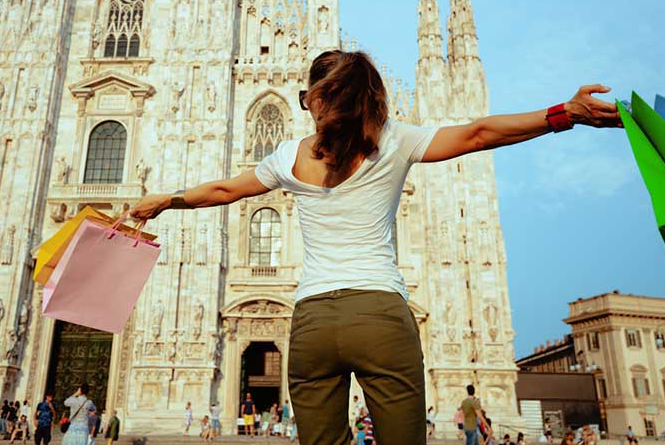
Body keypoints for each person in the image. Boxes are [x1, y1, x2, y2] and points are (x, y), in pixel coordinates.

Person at [129, 51, 621, 445]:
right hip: (381, 316)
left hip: (312, 322)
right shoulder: (394, 140)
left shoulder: (289, 156)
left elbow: (222, 190)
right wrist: (565, 114)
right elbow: (478, 134)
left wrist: (165, 200)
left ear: (316, 101)